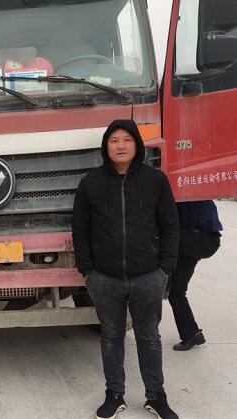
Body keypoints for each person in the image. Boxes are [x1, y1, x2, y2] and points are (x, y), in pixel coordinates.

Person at [72, 120, 180, 419]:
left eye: (127, 140)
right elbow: (80, 229)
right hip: (104, 278)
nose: (120, 146)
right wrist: (88, 271)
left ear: (137, 145)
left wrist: (165, 269)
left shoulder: (155, 180)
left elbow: (170, 226)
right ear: (106, 146)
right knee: (111, 337)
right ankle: (114, 396)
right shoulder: (90, 183)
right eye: (114, 140)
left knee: (149, 338)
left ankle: (156, 398)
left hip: (148, 276)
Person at [168, 200, 222, 351]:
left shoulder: (191, 197)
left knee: (163, 233)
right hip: (197, 240)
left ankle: (191, 334)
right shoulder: (194, 196)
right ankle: (192, 334)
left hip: (199, 239)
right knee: (176, 291)